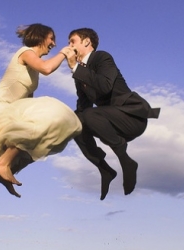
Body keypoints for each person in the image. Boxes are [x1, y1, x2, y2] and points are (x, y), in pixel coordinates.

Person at [0, 23, 81, 198]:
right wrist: (64, 53)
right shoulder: (25, 52)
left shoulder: (33, 74)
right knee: (48, 117)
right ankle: (3, 165)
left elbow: (28, 101)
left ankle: (5, 175)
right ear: (41, 36)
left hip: (10, 109)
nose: (53, 44)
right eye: (51, 38)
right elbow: (47, 68)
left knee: (39, 132)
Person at [63, 28, 160, 200]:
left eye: (73, 41)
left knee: (90, 115)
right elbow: (82, 107)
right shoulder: (80, 74)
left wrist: (75, 67)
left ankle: (126, 161)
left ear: (86, 42)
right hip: (109, 122)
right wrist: (66, 125)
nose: (69, 46)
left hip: (131, 117)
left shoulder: (102, 57)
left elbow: (105, 86)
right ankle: (104, 169)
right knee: (76, 122)